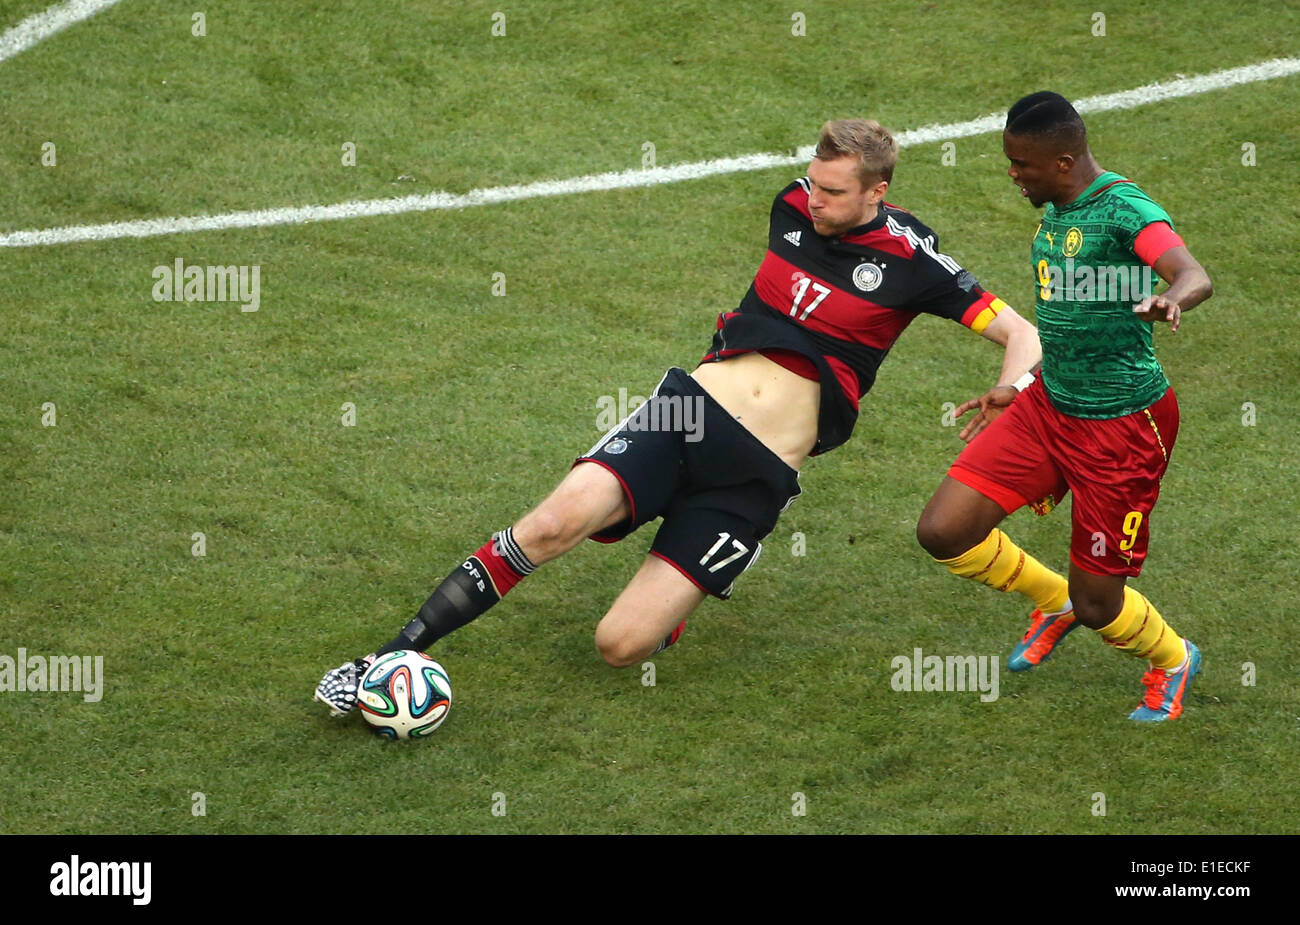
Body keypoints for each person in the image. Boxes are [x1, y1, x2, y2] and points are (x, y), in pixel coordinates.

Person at [316, 118, 1041, 715]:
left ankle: (681, 599)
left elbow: (1022, 334)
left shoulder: (913, 260)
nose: (813, 199)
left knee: (619, 646)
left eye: (832, 191)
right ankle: (387, 657)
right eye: (811, 182)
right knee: (549, 525)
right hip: (686, 416)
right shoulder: (791, 206)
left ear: (877, 191)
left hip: (754, 479)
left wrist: (1010, 387)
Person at [916, 92, 1214, 722]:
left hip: (1121, 427)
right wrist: (1022, 384)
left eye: (1021, 164)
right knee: (944, 531)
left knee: (1102, 605)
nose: (1012, 174)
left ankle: (1173, 658)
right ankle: (1057, 603)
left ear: (1063, 161)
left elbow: (1193, 273)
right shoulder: (1056, 211)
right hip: (1049, 404)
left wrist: (1173, 298)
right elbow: (1069, 321)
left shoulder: (1126, 211)